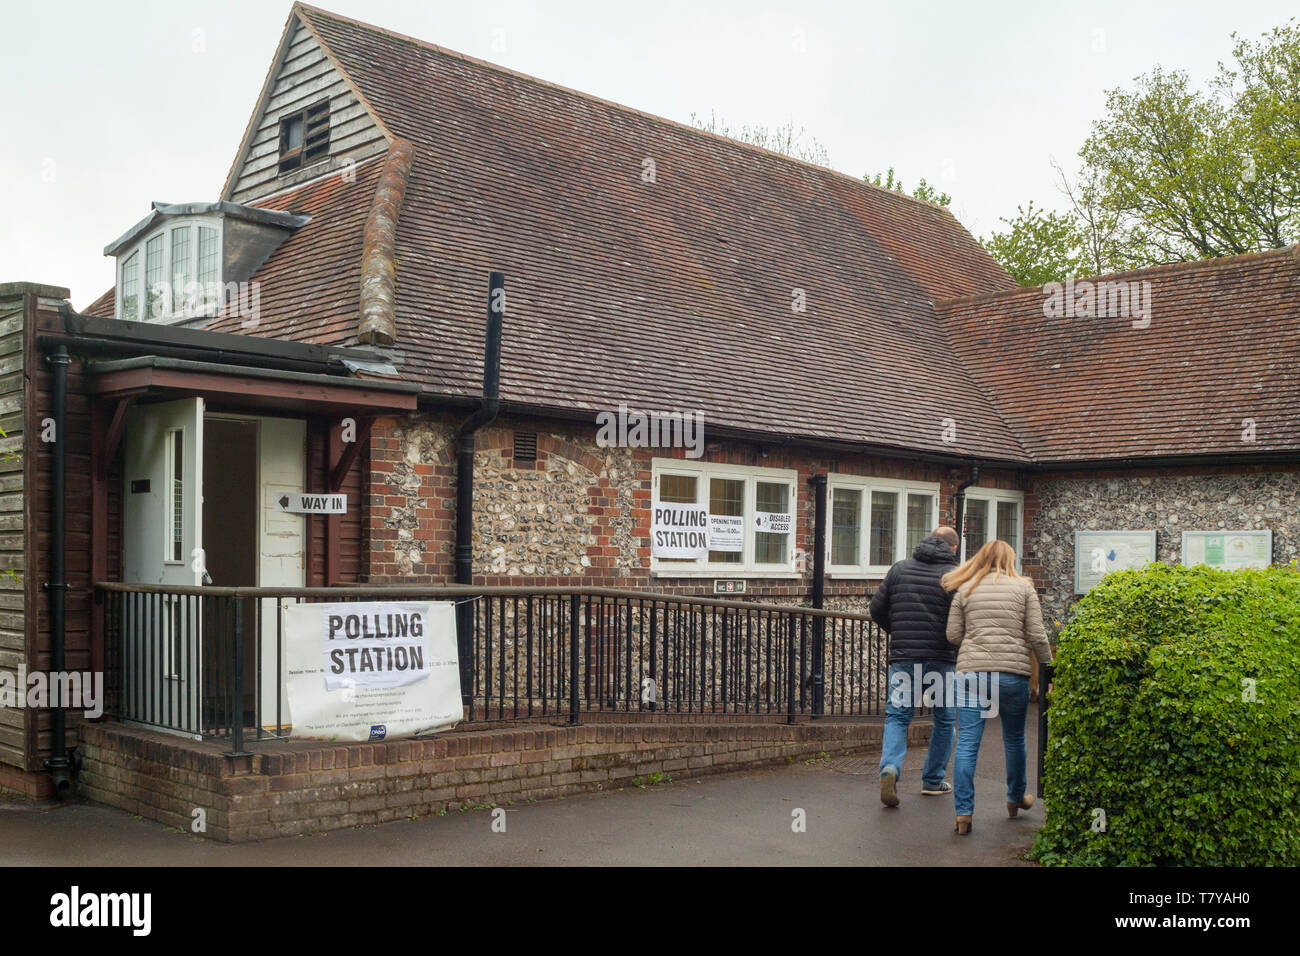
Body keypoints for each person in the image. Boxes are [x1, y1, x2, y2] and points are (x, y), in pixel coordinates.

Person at [942, 539, 1054, 835]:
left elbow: (953, 635)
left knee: (966, 743)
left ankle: (963, 814)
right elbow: (1038, 636)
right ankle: (1015, 798)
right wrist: (1048, 671)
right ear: (1011, 559)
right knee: (1015, 739)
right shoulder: (1024, 588)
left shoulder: (964, 588)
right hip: (1011, 674)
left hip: (971, 675)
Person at [869, 526, 960, 807]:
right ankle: (933, 780)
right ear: (953, 549)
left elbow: (876, 609)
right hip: (941, 659)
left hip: (904, 657)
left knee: (897, 716)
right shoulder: (955, 577)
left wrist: (898, 632)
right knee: (944, 719)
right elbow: (961, 620)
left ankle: (891, 768)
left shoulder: (899, 569)